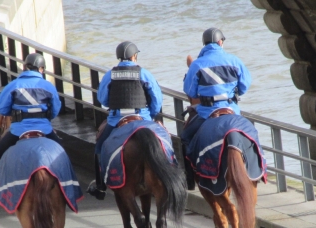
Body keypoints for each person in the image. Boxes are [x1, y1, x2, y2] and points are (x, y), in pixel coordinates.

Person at [87, 41, 163, 200]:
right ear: (134, 56)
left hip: (116, 121)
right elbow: (156, 99)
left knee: (100, 147)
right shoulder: (144, 73)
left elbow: (103, 99)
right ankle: (169, 173)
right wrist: (152, 114)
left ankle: (100, 186)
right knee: (164, 141)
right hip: (142, 119)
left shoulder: (110, 75)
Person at [181, 27, 252, 190]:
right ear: (221, 42)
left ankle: (190, 180)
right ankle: (257, 169)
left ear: (204, 43)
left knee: (186, 137)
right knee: (250, 134)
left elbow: (190, 91)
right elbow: (244, 86)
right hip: (232, 111)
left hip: (207, 112)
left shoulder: (197, 64)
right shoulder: (235, 60)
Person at [0, 52, 62, 198]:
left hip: (18, 131)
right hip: (44, 130)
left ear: (24, 67)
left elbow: (1, 108)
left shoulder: (13, 85)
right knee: (62, 153)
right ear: (42, 69)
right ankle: (66, 185)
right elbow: (55, 111)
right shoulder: (48, 86)